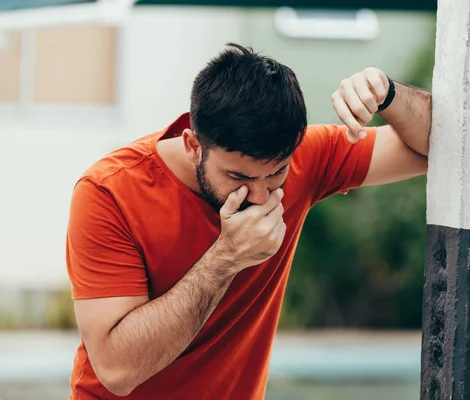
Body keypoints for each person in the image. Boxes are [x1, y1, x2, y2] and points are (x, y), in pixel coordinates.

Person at [66, 43, 431, 400]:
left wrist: (387, 94)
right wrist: (226, 258)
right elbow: (117, 371)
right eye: (238, 178)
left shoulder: (305, 158)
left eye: (276, 175)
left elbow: (447, 142)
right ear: (193, 145)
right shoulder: (109, 192)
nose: (259, 197)